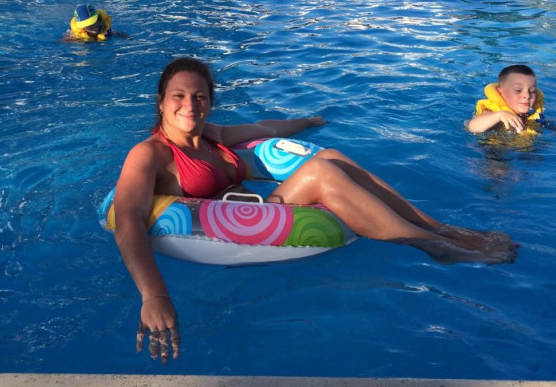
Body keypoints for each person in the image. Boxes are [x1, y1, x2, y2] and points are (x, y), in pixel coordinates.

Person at [112, 57, 519, 362]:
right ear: (161, 102)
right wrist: (154, 293)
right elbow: (128, 217)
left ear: (210, 101)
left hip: (261, 211)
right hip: (230, 228)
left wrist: (307, 122)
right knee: (321, 173)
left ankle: (440, 228)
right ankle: (432, 245)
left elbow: (265, 129)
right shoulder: (150, 155)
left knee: (330, 156)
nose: (190, 104)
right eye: (179, 96)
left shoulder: (211, 135)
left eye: (200, 96)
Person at [467, 65, 545, 134]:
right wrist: (500, 115)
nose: (527, 95)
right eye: (518, 90)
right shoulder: (491, 112)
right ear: (500, 93)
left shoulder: (530, 115)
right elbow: (472, 127)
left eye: (532, 91)